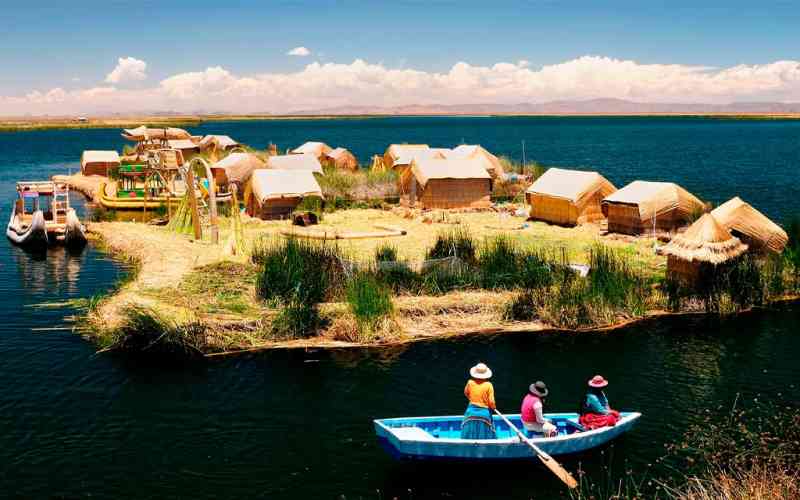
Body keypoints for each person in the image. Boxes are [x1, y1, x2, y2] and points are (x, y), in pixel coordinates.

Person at [460, 362, 497, 439]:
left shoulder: (470, 382)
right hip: (484, 413)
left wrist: (472, 399)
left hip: (470, 412)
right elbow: (491, 402)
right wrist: (493, 407)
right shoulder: (489, 385)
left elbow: (466, 393)